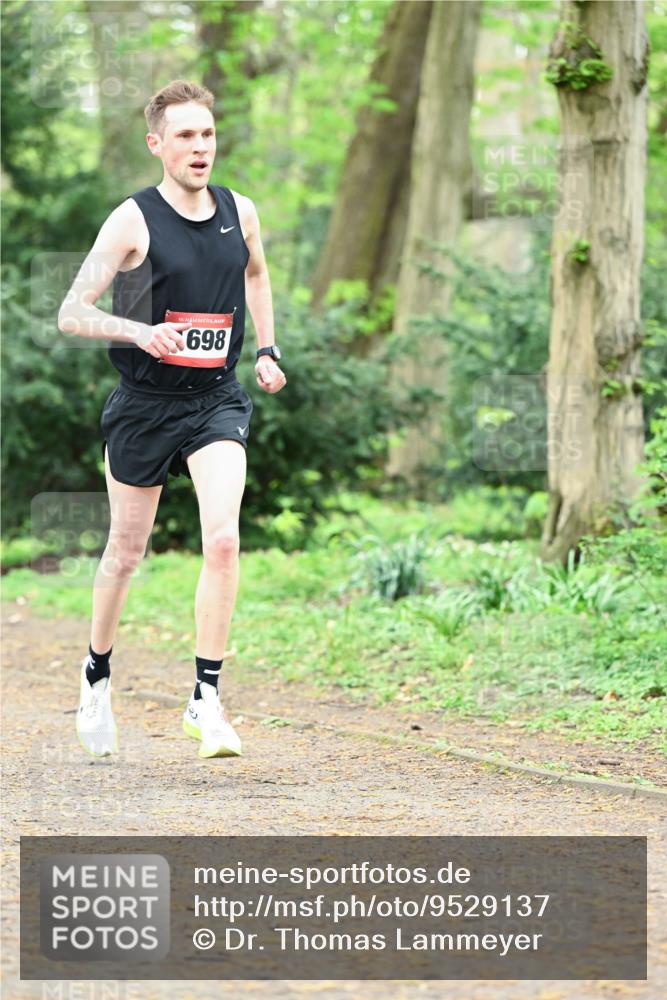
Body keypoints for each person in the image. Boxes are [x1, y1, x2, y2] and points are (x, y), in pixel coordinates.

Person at [58, 79, 286, 760]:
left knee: (222, 540)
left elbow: (255, 277)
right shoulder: (132, 219)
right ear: (156, 144)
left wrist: (268, 349)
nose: (199, 147)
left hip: (215, 399)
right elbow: (72, 311)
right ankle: (96, 673)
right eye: (185, 135)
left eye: (207, 134)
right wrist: (138, 332)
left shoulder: (239, 210)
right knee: (126, 553)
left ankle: (206, 699)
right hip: (144, 406)